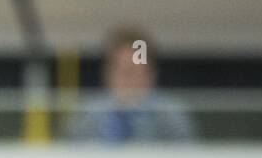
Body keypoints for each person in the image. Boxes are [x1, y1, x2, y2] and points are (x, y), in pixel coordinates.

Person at [66, 27, 196, 143]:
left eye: (135, 71)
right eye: (122, 70)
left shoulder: (169, 115)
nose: (128, 79)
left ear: (151, 73)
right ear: (106, 73)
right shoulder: (88, 115)